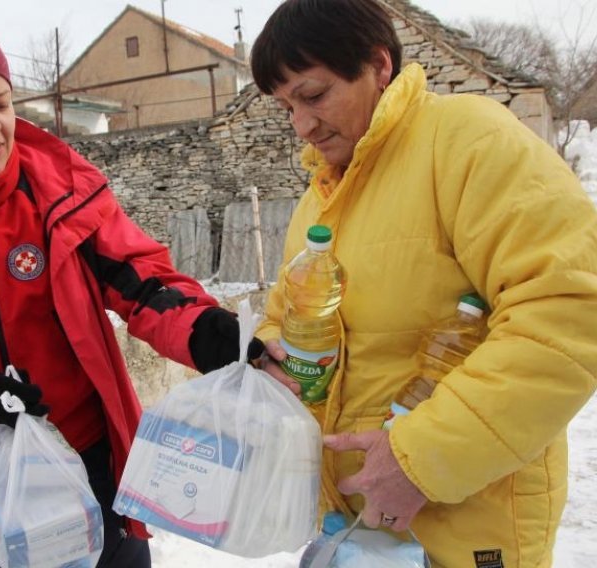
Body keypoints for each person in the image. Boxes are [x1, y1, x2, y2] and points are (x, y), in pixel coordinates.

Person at [0, 14, 257, 568]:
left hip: (89, 458)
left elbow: (139, 279)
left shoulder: (60, 188)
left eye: (2, 103)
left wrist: (201, 329)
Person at [249, 0, 597, 566]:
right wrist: (273, 359)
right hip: (358, 527)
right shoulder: (325, 193)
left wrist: (421, 459)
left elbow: (568, 309)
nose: (302, 126)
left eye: (313, 96)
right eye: (286, 107)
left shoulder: (467, 141)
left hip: (463, 522)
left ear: (379, 66)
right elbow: (290, 312)